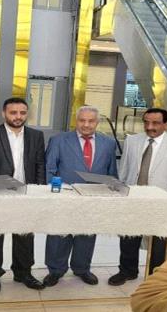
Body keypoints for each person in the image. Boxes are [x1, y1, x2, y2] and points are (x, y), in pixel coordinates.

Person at [109, 108, 167, 285]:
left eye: (155, 123)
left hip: (164, 202)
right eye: (146, 122)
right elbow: (124, 171)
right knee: (128, 239)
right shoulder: (132, 141)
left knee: (160, 243)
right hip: (133, 199)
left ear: (166, 125)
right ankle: (127, 271)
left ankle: (156, 276)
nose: (150, 127)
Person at [0, 98, 46, 293]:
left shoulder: (36, 136)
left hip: (26, 194)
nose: (18, 116)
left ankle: (23, 273)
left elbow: (40, 164)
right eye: (13, 112)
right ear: (3, 113)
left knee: (25, 236)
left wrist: (38, 191)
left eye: (22, 113)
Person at [43, 105, 118, 287]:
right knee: (59, 235)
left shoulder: (108, 143)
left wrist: (110, 195)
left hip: (93, 200)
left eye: (91, 121)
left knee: (87, 235)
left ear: (97, 122)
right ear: (76, 121)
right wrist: (56, 193)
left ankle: (82, 269)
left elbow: (111, 173)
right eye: (82, 120)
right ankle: (55, 270)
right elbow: (49, 170)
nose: (86, 124)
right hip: (64, 198)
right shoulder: (59, 140)